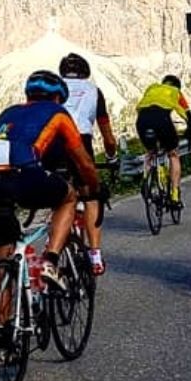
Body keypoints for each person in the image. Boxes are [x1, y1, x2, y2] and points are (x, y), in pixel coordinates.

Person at [0, 71, 101, 290]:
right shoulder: (59, 113)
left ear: (28, 95)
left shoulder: (8, 112)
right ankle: (50, 262)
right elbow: (84, 163)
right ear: (59, 98)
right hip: (22, 174)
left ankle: (0, 324)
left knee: (2, 262)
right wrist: (95, 188)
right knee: (68, 197)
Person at [59, 53, 119, 275]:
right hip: (80, 143)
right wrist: (112, 158)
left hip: (53, 145)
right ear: (86, 72)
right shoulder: (93, 91)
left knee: (60, 196)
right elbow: (108, 137)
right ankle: (95, 255)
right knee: (92, 196)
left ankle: (54, 247)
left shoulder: (53, 88)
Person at [135, 74, 191, 206]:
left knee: (151, 151)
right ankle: (174, 194)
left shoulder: (152, 88)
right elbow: (189, 117)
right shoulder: (175, 92)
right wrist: (188, 132)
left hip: (142, 121)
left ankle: (146, 179)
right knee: (173, 154)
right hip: (162, 120)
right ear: (177, 86)